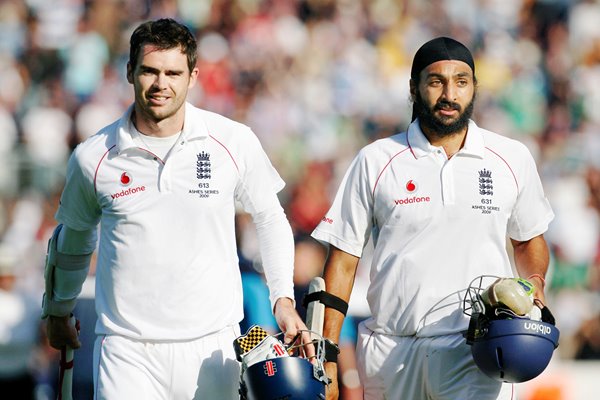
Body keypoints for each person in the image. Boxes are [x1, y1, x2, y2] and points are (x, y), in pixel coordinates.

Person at [42, 18, 310, 399]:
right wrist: (58, 310)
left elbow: (269, 218)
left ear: (193, 76)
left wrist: (282, 299)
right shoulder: (92, 157)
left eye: (173, 73)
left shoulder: (233, 140)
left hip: (213, 345)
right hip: (125, 348)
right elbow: (74, 240)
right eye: (149, 71)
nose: (160, 84)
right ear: (130, 71)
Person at [311, 37, 555, 400]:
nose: (449, 94)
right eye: (436, 81)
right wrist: (327, 353)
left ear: (474, 88)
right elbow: (343, 262)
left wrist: (534, 282)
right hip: (390, 351)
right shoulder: (376, 160)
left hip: (475, 350)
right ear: (414, 88)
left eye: (461, 81)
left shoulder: (511, 157)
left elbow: (529, 240)